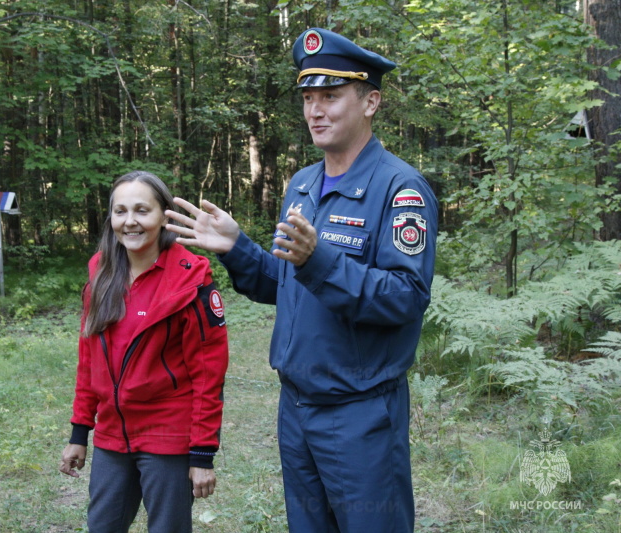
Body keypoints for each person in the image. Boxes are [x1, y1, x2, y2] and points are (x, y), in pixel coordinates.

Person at [165, 28, 437, 533]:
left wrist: (320, 262)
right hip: (295, 408)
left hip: (360, 414)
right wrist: (237, 247)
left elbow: (405, 297)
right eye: (309, 98)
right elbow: (285, 284)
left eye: (331, 96)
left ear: (371, 101)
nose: (316, 110)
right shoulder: (303, 185)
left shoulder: (401, 189)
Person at [59, 171, 229, 533]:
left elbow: (208, 376)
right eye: (120, 211)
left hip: (167, 438)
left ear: (164, 216)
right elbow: (88, 363)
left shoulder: (190, 281)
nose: (130, 221)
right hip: (111, 437)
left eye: (142, 210)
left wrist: (201, 454)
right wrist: (79, 432)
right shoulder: (101, 276)